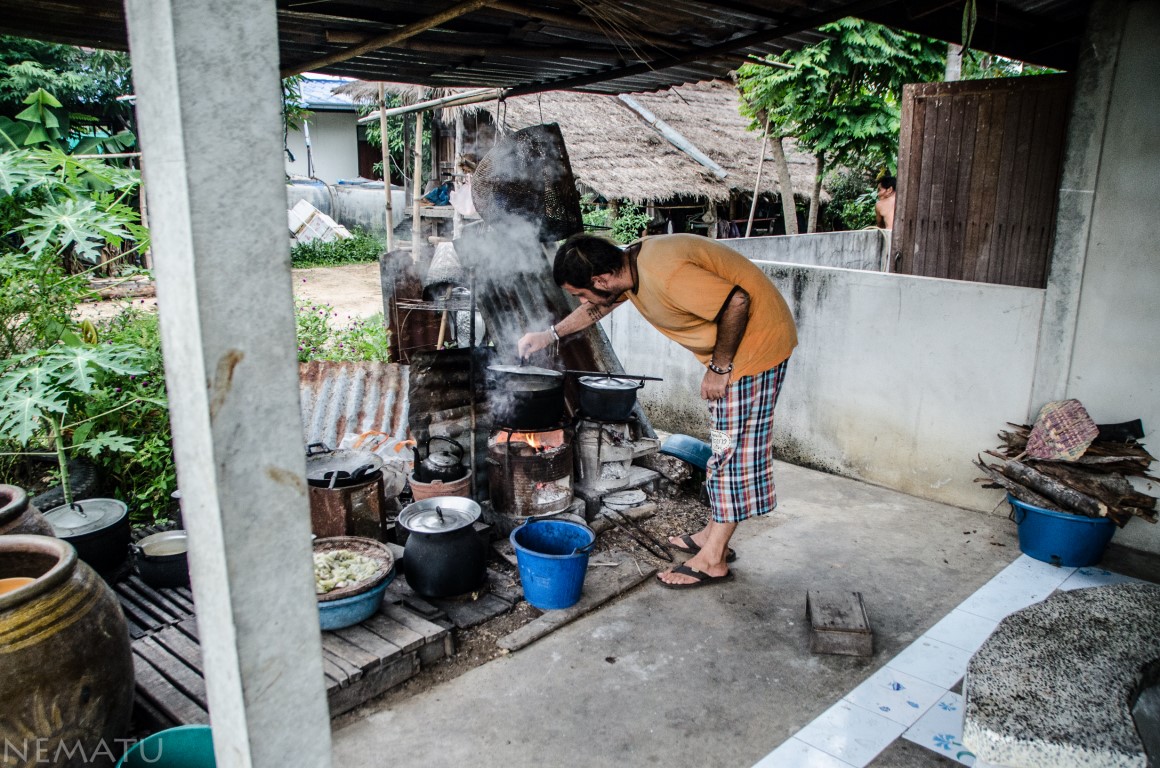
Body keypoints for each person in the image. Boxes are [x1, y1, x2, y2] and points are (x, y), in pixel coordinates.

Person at [517, 233, 797, 589]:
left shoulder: (665, 273)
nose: (582, 301)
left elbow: (737, 301)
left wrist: (720, 367)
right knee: (723, 444)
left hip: (754, 351)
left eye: (581, 293)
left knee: (731, 453)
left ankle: (713, 559)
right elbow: (598, 306)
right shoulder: (629, 268)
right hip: (738, 354)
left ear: (601, 280)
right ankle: (712, 536)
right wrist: (550, 335)